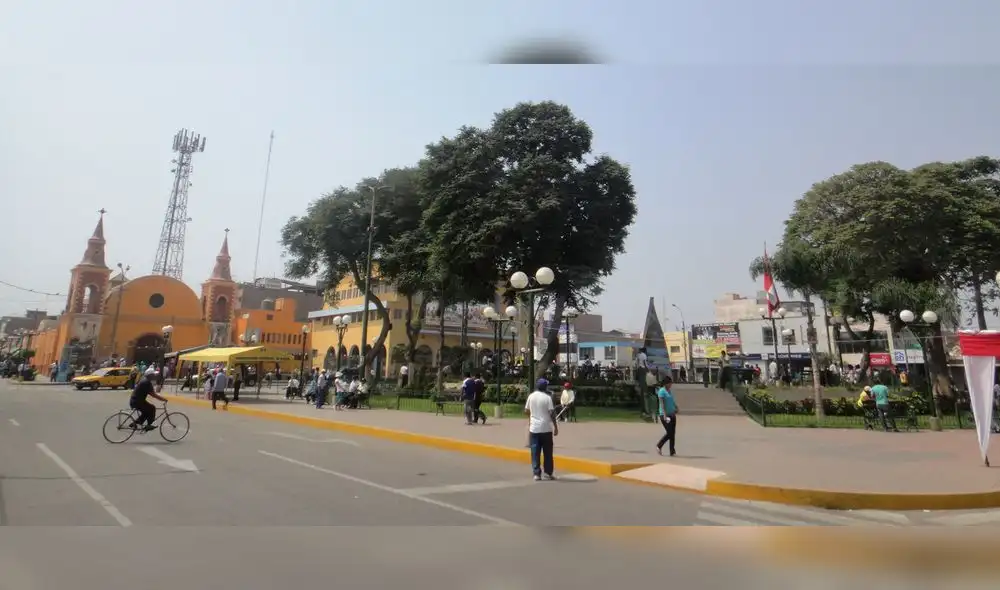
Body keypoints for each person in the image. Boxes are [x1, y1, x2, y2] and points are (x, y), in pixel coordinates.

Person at [525, 378, 558, 480]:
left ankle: (536, 474)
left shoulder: (531, 396)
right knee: (548, 452)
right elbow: (551, 413)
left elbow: (526, 410)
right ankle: (548, 473)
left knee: (535, 452)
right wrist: (555, 426)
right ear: (545, 387)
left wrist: (531, 418)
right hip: (546, 428)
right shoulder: (547, 398)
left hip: (534, 428)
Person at [655, 375, 678, 456]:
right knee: (669, 432)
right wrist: (664, 415)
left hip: (672, 414)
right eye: (670, 383)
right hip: (665, 415)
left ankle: (672, 451)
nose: (671, 384)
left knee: (673, 433)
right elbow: (662, 404)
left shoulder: (669, 391)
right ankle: (659, 445)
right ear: (666, 383)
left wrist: (676, 407)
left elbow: (672, 400)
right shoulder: (661, 391)